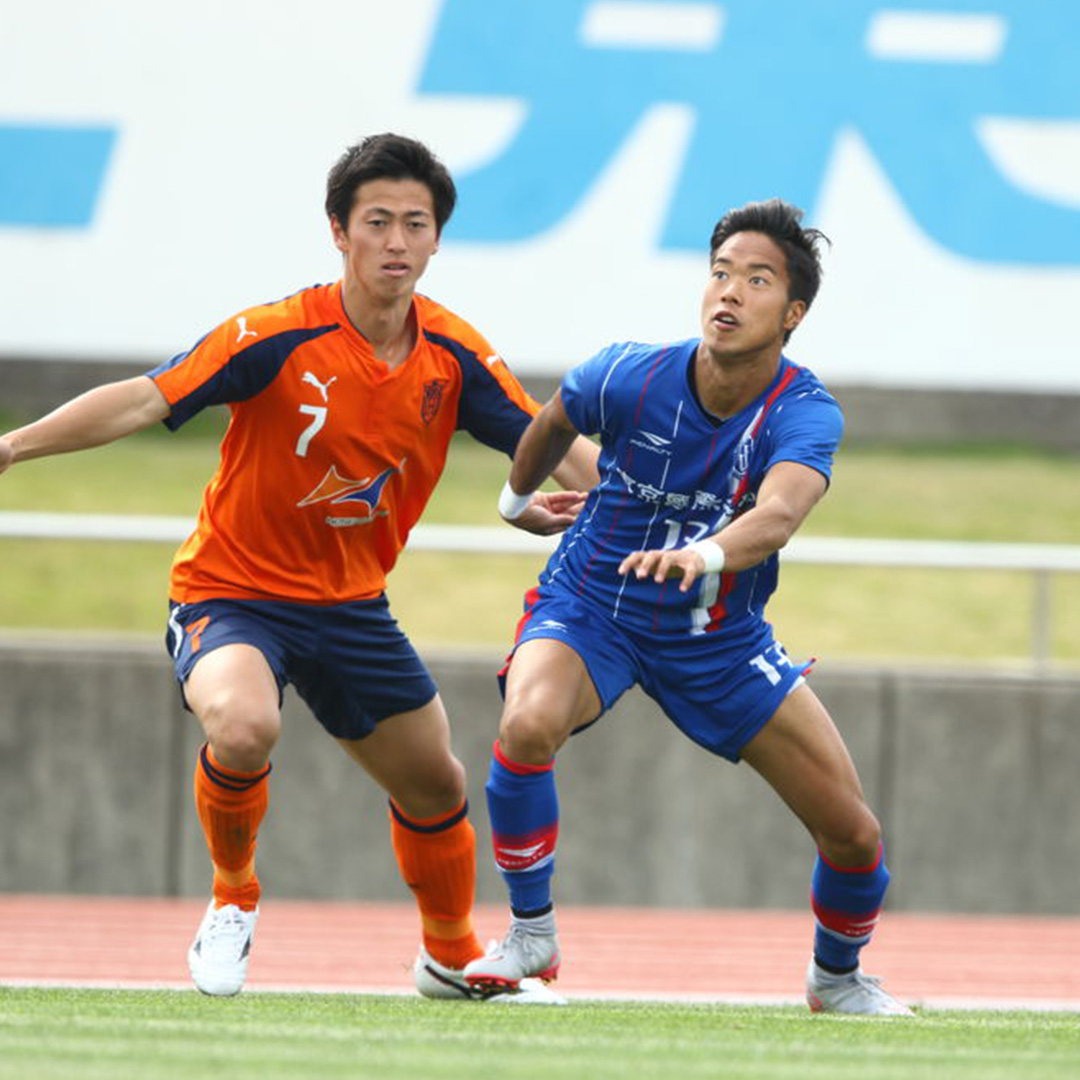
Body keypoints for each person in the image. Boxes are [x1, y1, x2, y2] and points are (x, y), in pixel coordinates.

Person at [0, 133, 598, 1000]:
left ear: (438, 241)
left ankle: (450, 954)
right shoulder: (277, 333)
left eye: (415, 224)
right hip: (230, 593)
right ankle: (233, 897)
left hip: (351, 606)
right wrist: (14, 447)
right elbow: (145, 395)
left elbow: (550, 440)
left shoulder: (454, 354)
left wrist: (636, 512)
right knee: (243, 727)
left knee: (437, 782)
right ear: (339, 232)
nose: (397, 241)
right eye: (378, 221)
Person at [461, 199, 913, 1016]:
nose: (729, 292)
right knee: (527, 722)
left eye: (757, 279)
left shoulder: (805, 410)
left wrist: (701, 555)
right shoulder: (629, 373)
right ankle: (532, 935)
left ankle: (836, 980)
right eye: (719, 273)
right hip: (593, 602)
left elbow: (777, 516)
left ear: (793, 313)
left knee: (854, 836)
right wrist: (513, 499)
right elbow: (552, 420)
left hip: (716, 635)